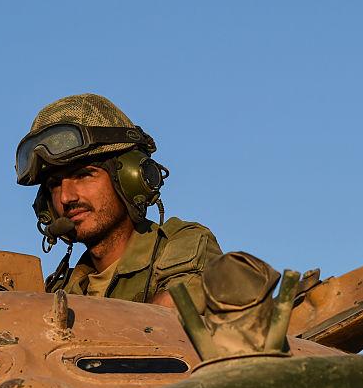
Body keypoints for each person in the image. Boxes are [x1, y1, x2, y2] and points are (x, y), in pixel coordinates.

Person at [14, 93, 221, 310]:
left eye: (84, 175)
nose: (66, 197)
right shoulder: (61, 290)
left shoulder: (181, 247)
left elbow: (174, 312)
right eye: (55, 185)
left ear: (129, 178)